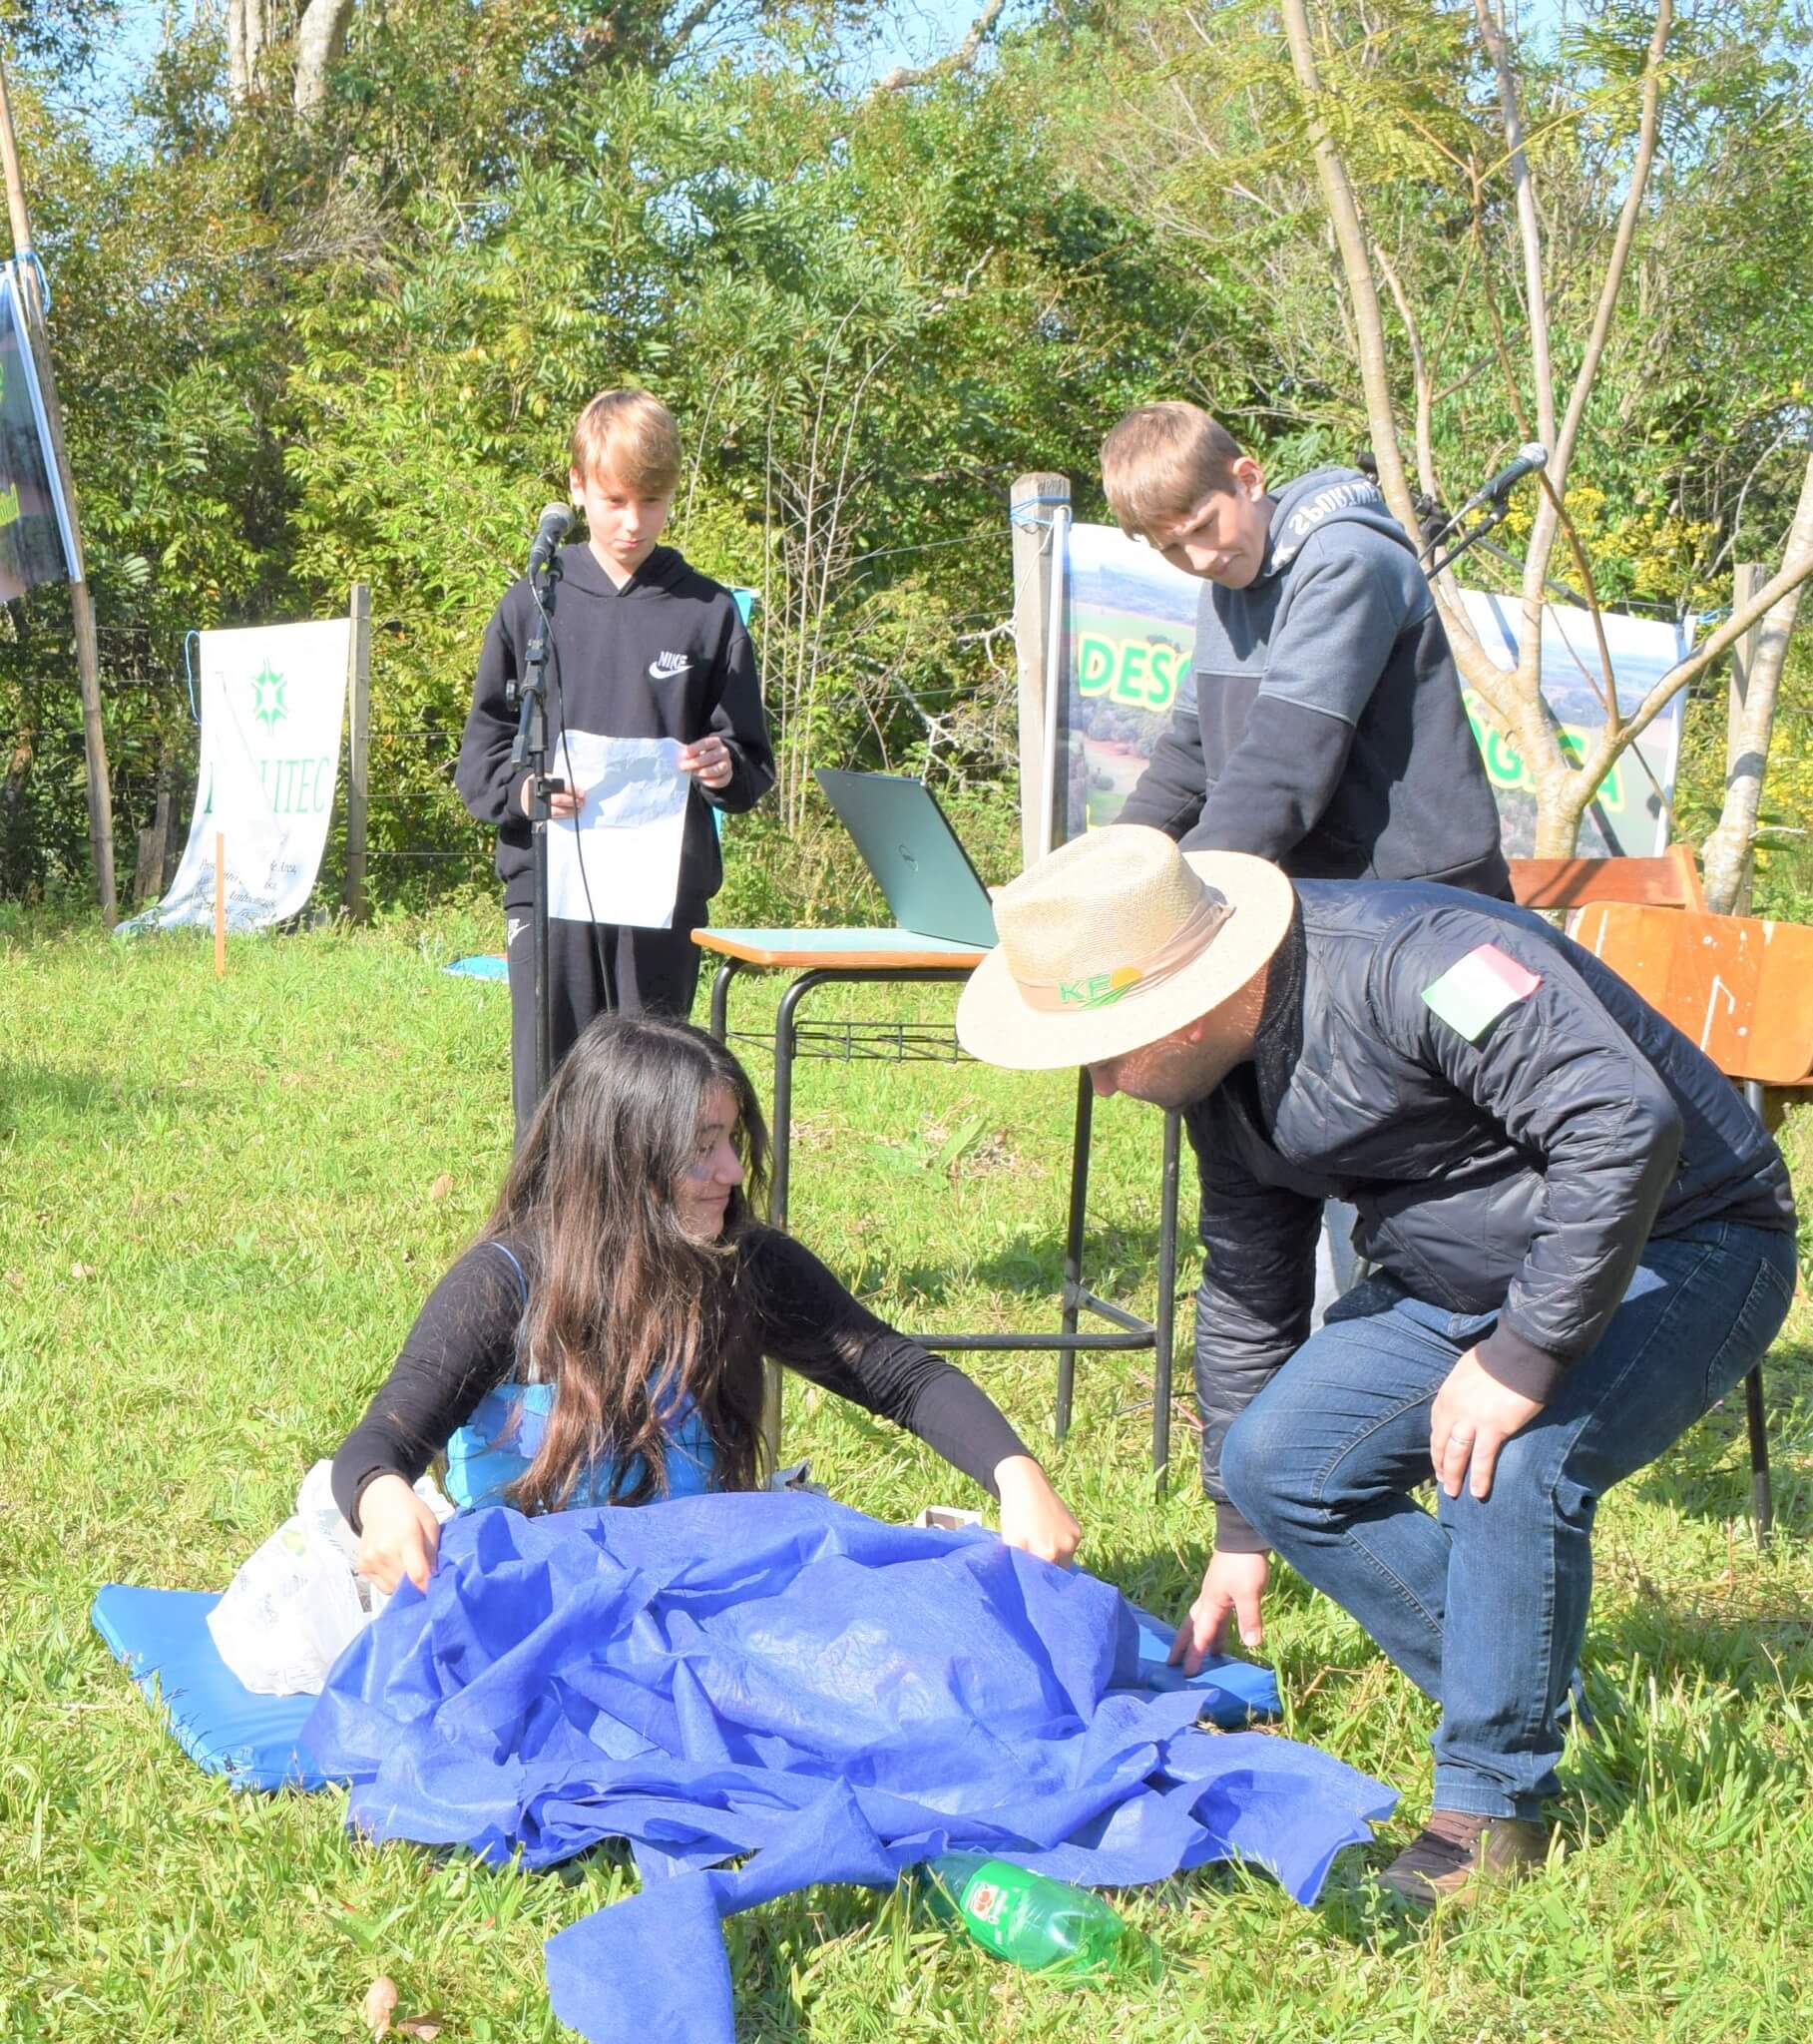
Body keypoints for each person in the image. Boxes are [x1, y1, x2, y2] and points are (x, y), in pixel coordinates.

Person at [955, 827, 1796, 1902]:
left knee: (1507, 1454)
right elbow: (1249, 1285)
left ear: (1192, 1000)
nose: (1104, 1082)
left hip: (1685, 1236)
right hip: (1453, 1276)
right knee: (1279, 1459)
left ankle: (1490, 1804)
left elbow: (1619, 1121)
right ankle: (1528, 1688)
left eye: (1109, 1049)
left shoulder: (1425, 963)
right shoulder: (1215, 1078)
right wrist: (1235, 1525)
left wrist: (1521, 1354)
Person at [336, 1012, 1081, 1593]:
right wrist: (384, 1500)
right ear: (621, 1157)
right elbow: (378, 1447)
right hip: (547, 1602)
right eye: (702, 1146)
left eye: (731, 1139)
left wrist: (1018, 1476)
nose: (730, 1169)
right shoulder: (505, 1282)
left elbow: (900, 1375)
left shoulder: (745, 1264)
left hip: (710, 1590)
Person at [455, 388, 775, 1135]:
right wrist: (528, 793)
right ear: (576, 485)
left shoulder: (706, 611)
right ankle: (545, 1246)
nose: (633, 522)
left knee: (650, 1099)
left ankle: (645, 1247)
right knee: (551, 1094)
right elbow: (483, 752)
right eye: (614, 499)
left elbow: (750, 755)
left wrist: (723, 764)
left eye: (653, 501)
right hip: (550, 890)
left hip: (660, 899)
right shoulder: (534, 605)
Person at [1100, 401, 1511, 899]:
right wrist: (1111, 868)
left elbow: (1285, 758)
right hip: (1326, 893)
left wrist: (1183, 890)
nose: (1200, 559)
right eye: (1172, 549)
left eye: (1203, 526)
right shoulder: (1229, 581)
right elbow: (1189, 759)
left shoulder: (1347, 560)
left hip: (1427, 898)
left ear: (1248, 479)